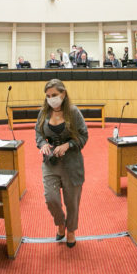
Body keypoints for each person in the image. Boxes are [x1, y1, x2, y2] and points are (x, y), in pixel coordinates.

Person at [35, 79, 88, 248]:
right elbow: (38, 133)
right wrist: (42, 143)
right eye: (48, 96)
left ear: (63, 94)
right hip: (50, 163)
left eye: (54, 95)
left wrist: (68, 145)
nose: (51, 99)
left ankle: (71, 230)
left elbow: (83, 136)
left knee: (72, 201)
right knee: (51, 199)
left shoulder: (73, 112)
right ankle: (60, 223)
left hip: (71, 164)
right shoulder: (44, 113)